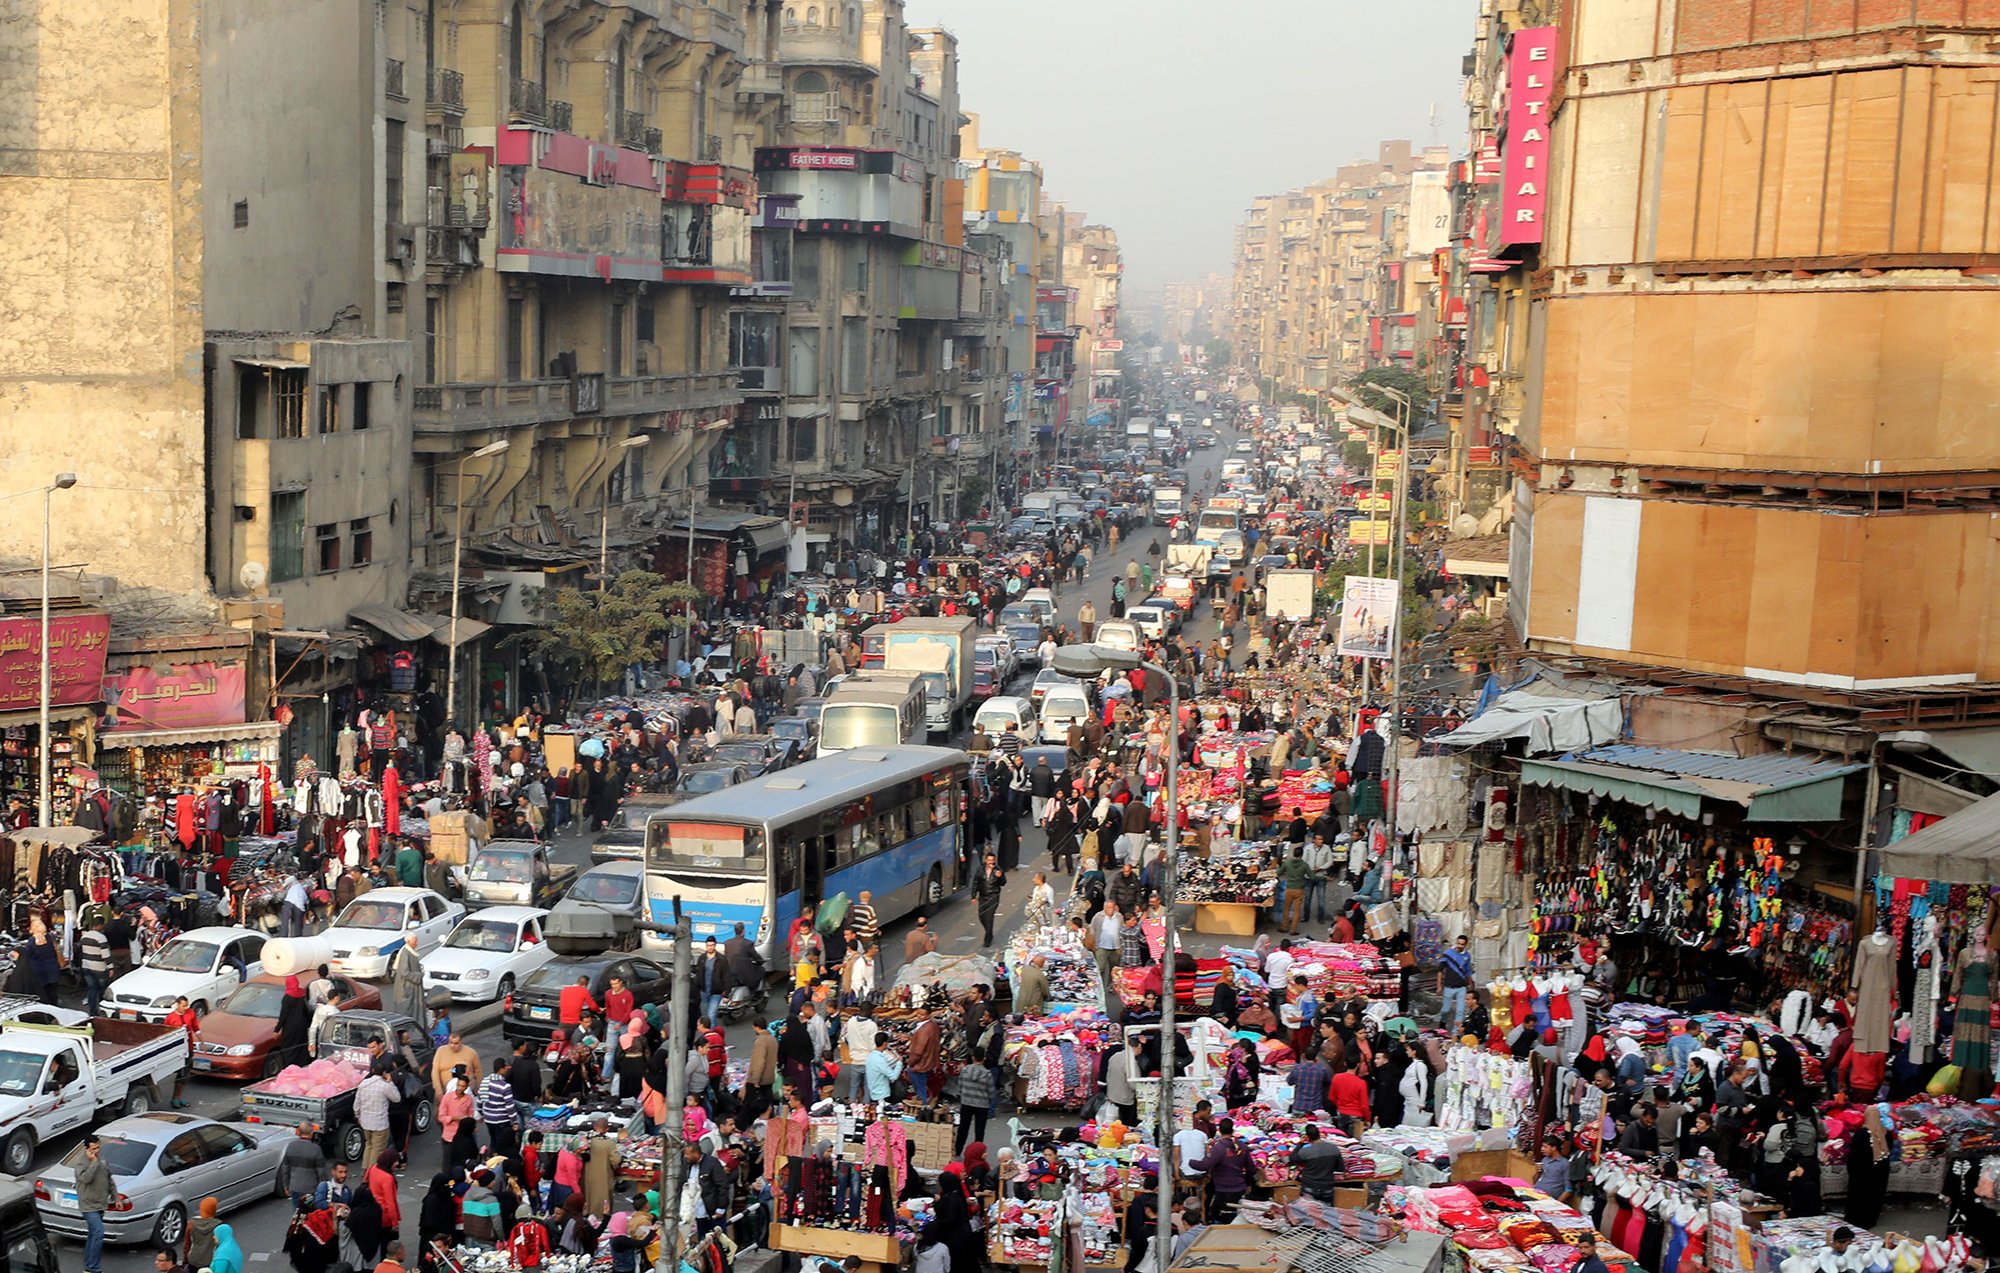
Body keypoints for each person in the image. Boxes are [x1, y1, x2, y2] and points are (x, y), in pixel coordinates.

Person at [75, 1135, 112, 1273]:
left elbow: (109, 1179)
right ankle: (94, 1268)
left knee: (92, 1235)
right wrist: (93, 1162)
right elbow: (86, 1178)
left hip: (100, 1204)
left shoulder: (102, 1159)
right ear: (86, 1148)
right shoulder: (81, 1162)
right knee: (98, 1233)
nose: (96, 1150)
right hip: (88, 1205)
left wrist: (115, 1197)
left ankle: (88, 1266)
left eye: (98, 1147)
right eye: (93, 1148)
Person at [1289, 1124, 1346, 1203]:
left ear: (1307, 1137)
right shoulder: (1333, 1148)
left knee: (1307, 1212)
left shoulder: (1305, 1151)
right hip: (1327, 1187)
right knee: (1327, 1212)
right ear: (1319, 1134)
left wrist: (1300, 1144)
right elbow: (1340, 1168)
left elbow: (1292, 1160)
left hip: (1309, 1186)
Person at [279, 1121, 330, 1208]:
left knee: (298, 1214)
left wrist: (286, 1186)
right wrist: (324, 1190)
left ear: (299, 1132)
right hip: (311, 1190)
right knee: (310, 1216)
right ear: (311, 1133)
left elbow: (285, 1169)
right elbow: (322, 1173)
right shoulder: (315, 1149)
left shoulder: (291, 1146)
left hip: (295, 1187)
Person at [955, 1054, 996, 1153]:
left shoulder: (964, 1070)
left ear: (973, 1057)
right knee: (979, 1131)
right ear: (984, 1058)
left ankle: (957, 1151)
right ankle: (978, 1153)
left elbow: (960, 1086)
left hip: (966, 1103)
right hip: (982, 1105)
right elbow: (991, 1092)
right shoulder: (987, 1074)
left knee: (963, 1129)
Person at [1439, 936, 1473, 1034]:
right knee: (1446, 1009)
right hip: (1449, 986)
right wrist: (1439, 985)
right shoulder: (1447, 954)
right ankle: (1443, 1022)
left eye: (1462, 944)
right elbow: (1440, 970)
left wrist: (1470, 984)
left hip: (1461, 987)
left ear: (1465, 945)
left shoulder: (1467, 956)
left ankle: (1455, 1032)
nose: (1459, 946)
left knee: (1460, 1011)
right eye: (1458, 943)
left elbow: (1468, 971)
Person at [974, 853, 1007, 947]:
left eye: (992, 861)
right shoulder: (980, 869)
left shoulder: (998, 870)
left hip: (993, 896)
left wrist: (1000, 876)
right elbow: (976, 882)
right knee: (982, 916)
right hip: (983, 896)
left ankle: (987, 939)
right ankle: (989, 931)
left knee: (989, 917)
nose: (991, 863)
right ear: (986, 860)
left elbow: (1003, 883)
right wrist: (973, 895)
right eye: (989, 861)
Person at [187, 1196, 224, 1271]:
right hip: (210, 1262)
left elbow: (187, 1244)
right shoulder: (219, 1226)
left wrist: (185, 1260)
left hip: (193, 1260)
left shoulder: (191, 1224)